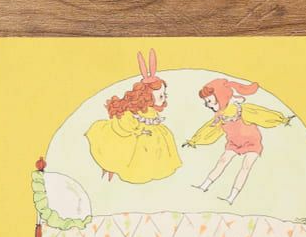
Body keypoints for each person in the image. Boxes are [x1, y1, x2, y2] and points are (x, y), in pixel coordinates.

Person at [184, 78, 292, 204]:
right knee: (222, 161)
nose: (207, 105)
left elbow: (261, 114)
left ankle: (232, 197)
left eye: (209, 101)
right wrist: (195, 140)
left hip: (252, 143)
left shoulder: (242, 110)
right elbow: (209, 129)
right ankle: (204, 186)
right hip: (233, 143)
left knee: (245, 167)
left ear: (221, 97)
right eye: (206, 102)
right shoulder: (220, 116)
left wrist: (281, 119)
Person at [85, 50, 181, 184]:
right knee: (138, 152)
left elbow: (152, 120)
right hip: (138, 135)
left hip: (153, 134)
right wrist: (138, 131)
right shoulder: (135, 111)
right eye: (160, 96)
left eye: (164, 95)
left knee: (160, 146)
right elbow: (125, 122)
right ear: (147, 97)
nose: (164, 98)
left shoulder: (151, 111)